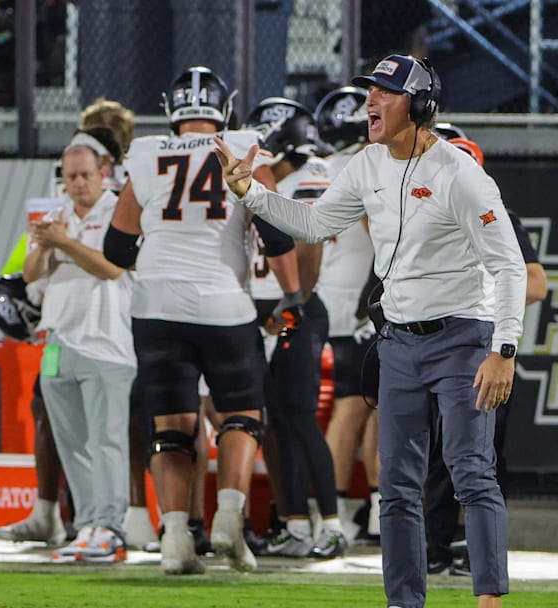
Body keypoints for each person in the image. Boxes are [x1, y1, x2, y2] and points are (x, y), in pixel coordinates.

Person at [216, 53, 524, 608]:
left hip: (463, 336)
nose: (370, 102)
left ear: (421, 106)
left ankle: (489, 602)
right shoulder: (364, 165)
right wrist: (251, 195)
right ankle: (403, 603)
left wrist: (503, 348)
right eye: (370, 91)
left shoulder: (462, 175)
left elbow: (510, 266)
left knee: (471, 472)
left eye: (384, 92)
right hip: (400, 340)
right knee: (396, 487)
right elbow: (314, 223)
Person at [102, 65, 302, 576]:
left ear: (173, 110)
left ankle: (174, 538)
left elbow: (117, 246)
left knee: (170, 426)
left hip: (154, 304)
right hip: (223, 303)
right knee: (242, 415)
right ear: (224, 108)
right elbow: (277, 236)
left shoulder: (145, 153)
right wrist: (293, 295)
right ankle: (229, 516)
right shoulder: (244, 144)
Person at [423, 135, 548, 576]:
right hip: (432, 346)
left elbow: (533, 282)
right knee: (435, 450)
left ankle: (477, 551)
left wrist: (480, 305)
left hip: (480, 349)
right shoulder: (422, 208)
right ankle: (433, 545)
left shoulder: (497, 215)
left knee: (478, 455)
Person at [22, 140, 136, 564]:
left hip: (106, 342)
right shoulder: (56, 217)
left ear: (103, 172)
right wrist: (48, 243)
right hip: (58, 339)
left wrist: (65, 245)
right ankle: (87, 524)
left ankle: (111, 527)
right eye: (71, 177)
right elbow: (29, 274)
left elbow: (112, 267)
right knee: (71, 441)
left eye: (86, 175)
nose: (79, 184)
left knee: (107, 439)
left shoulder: (119, 212)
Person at [245, 97, 347, 559]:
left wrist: (283, 318)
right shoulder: (274, 176)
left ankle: (330, 525)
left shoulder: (311, 174)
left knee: (300, 419)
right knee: (277, 423)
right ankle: (295, 525)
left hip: (296, 310)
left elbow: (308, 257)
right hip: (271, 312)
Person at [313, 85, 384, 543]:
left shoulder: (319, 168)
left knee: (351, 407)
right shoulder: (369, 167)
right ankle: (365, 509)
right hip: (363, 303)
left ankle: (336, 507)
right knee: (368, 409)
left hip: (329, 297)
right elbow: (385, 231)